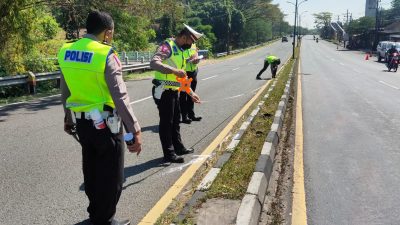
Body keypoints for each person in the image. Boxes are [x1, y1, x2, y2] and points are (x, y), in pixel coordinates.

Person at [59, 11, 142, 225]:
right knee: (112, 174)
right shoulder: (105, 54)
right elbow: (119, 95)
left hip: (82, 124)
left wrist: (68, 117)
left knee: (92, 169)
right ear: (107, 32)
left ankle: (95, 215)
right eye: (111, 33)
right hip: (107, 124)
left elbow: (65, 89)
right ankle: (105, 219)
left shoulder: (67, 51)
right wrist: (134, 129)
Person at [150, 24, 202, 163]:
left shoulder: (180, 51)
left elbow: (182, 77)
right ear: (184, 37)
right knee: (167, 123)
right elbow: (154, 63)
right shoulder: (167, 46)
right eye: (190, 42)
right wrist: (173, 71)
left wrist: (191, 93)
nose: (190, 45)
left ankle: (178, 147)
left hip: (173, 91)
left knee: (176, 121)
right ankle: (169, 153)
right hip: (163, 91)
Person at [180, 43, 202, 124]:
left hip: (193, 71)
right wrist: (189, 59)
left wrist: (197, 60)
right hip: (185, 72)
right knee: (183, 96)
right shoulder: (180, 44)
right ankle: (184, 117)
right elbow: (179, 60)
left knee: (192, 95)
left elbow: (196, 54)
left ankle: (191, 115)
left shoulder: (193, 44)